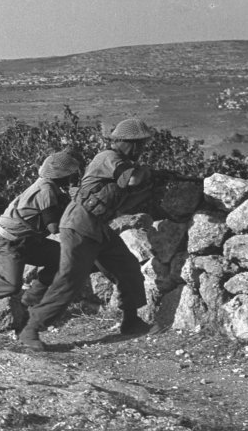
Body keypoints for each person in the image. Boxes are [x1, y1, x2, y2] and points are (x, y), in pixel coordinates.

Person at [18, 118, 155, 351]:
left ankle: (131, 320)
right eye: (137, 144)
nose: (140, 149)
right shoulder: (109, 157)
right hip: (79, 225)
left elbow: (123, 199)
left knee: (127, 267)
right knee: (70, 279)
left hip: (98, 227)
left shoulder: (121, 163)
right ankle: (30, 329)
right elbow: (133, 179)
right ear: (123, 142)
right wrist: (148, 172)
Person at [0, 151, 81, 326]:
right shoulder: (46, 190)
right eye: (71, 174)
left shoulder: (50, 186)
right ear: (61, 175)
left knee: (62, 258)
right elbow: (54, 227)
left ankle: (30, 301)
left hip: (27, 240)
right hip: (7, 243)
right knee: (11, 284)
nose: (73, 178)